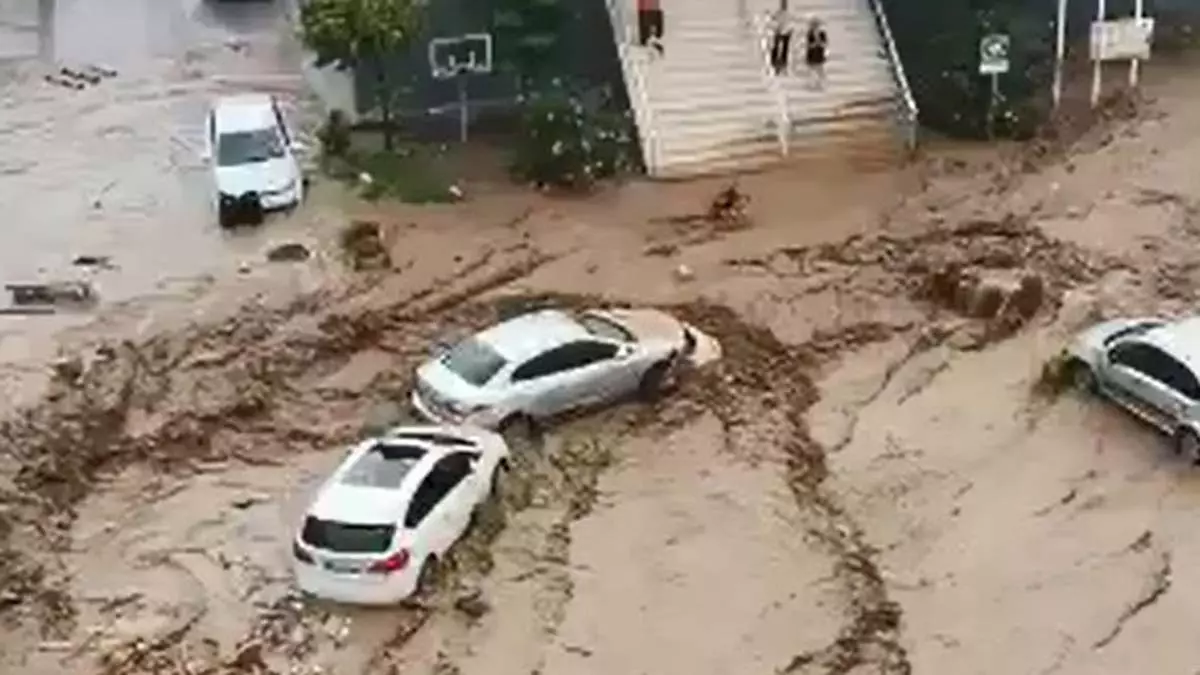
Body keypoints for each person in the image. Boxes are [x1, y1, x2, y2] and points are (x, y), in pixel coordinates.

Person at [769, 0, 792, 75]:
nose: (784, 5)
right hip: (779, 32)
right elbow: (773, 20)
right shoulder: (778, 13)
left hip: (785, 33)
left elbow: (790, 23)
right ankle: (775, 62)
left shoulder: (788, 14)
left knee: (785, 48)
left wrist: (789, 30)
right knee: (776, 47)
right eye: (783, 4)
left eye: (785, 4)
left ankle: (783, 63)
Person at [805, 17, 828, 89]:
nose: (815, 27)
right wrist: (815, 43)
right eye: (813, 25)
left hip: (819, 54)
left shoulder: (822, 33)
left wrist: (819, 42)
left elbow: (824, 44)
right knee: (812, 71)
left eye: (816, 25)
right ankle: (813, 84)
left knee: (821, 71)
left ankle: (822, 85)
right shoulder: (810, 33)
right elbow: (809, 45)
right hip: (812, 55)